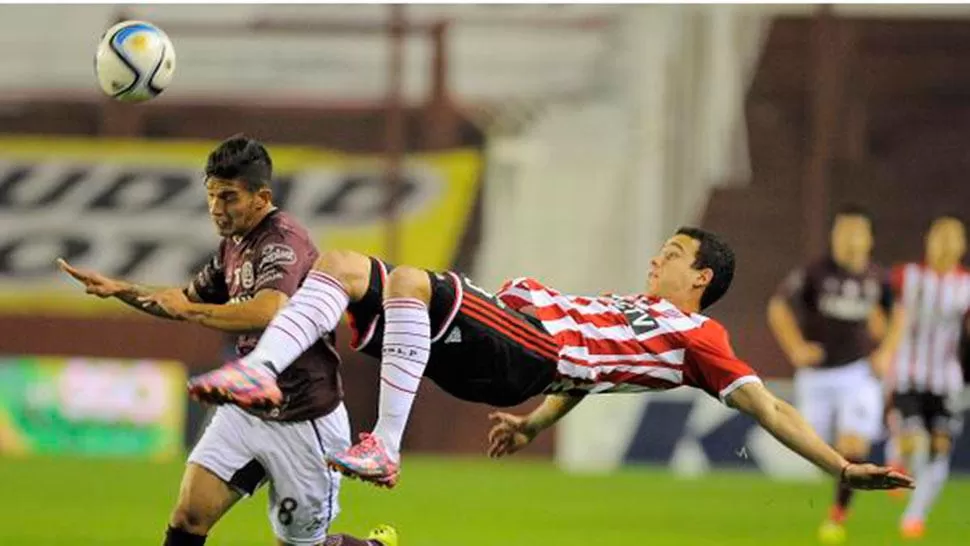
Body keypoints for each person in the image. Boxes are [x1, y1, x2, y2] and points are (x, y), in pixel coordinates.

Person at [188, 226, 914, 498]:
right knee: (344, 267)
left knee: (408, 280)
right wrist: (536, 427)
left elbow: (772, 407)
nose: (656, 254)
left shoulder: (701, 339)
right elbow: (588, 378)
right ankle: (264, 369)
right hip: (517, 362)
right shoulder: (640, 313)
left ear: (701, 280)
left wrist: (840, 468)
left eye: (674, 253)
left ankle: (383, 446)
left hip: (527, 347)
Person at [57, 135, 394, 546]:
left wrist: (192, 311)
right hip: (247, 411)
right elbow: (183, 301)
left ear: (261, 196)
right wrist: (120, 289)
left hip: (305, 418)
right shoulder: (231, 247)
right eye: (212, 196)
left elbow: (270, 310)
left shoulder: (284, 240)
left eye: (229, 197)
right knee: (188, 515)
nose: (217, 208)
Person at [767, 203, 905, 544]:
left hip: (858, 372)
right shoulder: (815, 273)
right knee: (823, 452)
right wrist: (796, 348)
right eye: (843, 232)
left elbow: (899, 313)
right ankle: (886, 449)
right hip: (817, 376)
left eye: (856, 232)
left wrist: (886, 352)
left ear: (869, 238)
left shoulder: (877, 277)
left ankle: (837, 516)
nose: (849, 239)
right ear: (833, 236)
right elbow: (778, 307)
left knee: (852, 443)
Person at [885, 214, 969, 539]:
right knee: (917, 443)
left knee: (939, 447)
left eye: (953, 237)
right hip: (908, 374)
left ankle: (914, 517)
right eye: (940, 236)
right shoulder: (907, 276)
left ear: (962, 245)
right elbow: (881, 307)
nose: (946, 244)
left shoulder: (966, 284)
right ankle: (898, 454)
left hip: (946, 379)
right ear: (928, 241)